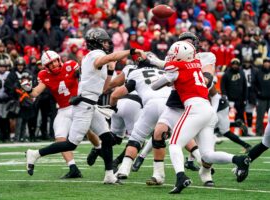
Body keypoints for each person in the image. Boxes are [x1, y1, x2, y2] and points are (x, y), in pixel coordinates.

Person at [25, 28, 144, 184]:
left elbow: (104, 88)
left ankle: (109, 175)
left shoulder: (94, 57)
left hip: (91, 104)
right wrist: (132, 50)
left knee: (107, 138)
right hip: (84, 105)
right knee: (71, 144)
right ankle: (35, 154)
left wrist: (110, 71)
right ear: (97, 42)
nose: (107, 44)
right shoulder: (96, 55)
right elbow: (109, 57)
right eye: (104, 41)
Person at [147, 41, 251, 194]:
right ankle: (238, 160)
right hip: (208, 110)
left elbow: (155, 86)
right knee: (207, 155)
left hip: (194, 107)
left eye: (174, 53)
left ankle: (181, 177)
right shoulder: (196, 63)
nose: (171, 56)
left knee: (174, 144)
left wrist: (161, 74)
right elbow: (172, 65)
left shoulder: (176, 68)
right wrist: (156, 61)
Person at [21, 50, 101, 178]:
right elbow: (35, 93)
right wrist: (28, 90)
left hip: (78, 106)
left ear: (59, 59)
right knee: (60, 138)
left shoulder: (70, 65)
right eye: (50, 64)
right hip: (63, 109)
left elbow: (84, 75)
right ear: (46, 67)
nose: (54, 65)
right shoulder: (43, 75)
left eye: (55, 61)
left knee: (89, 131)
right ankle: (73, 168)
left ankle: (98, 148)